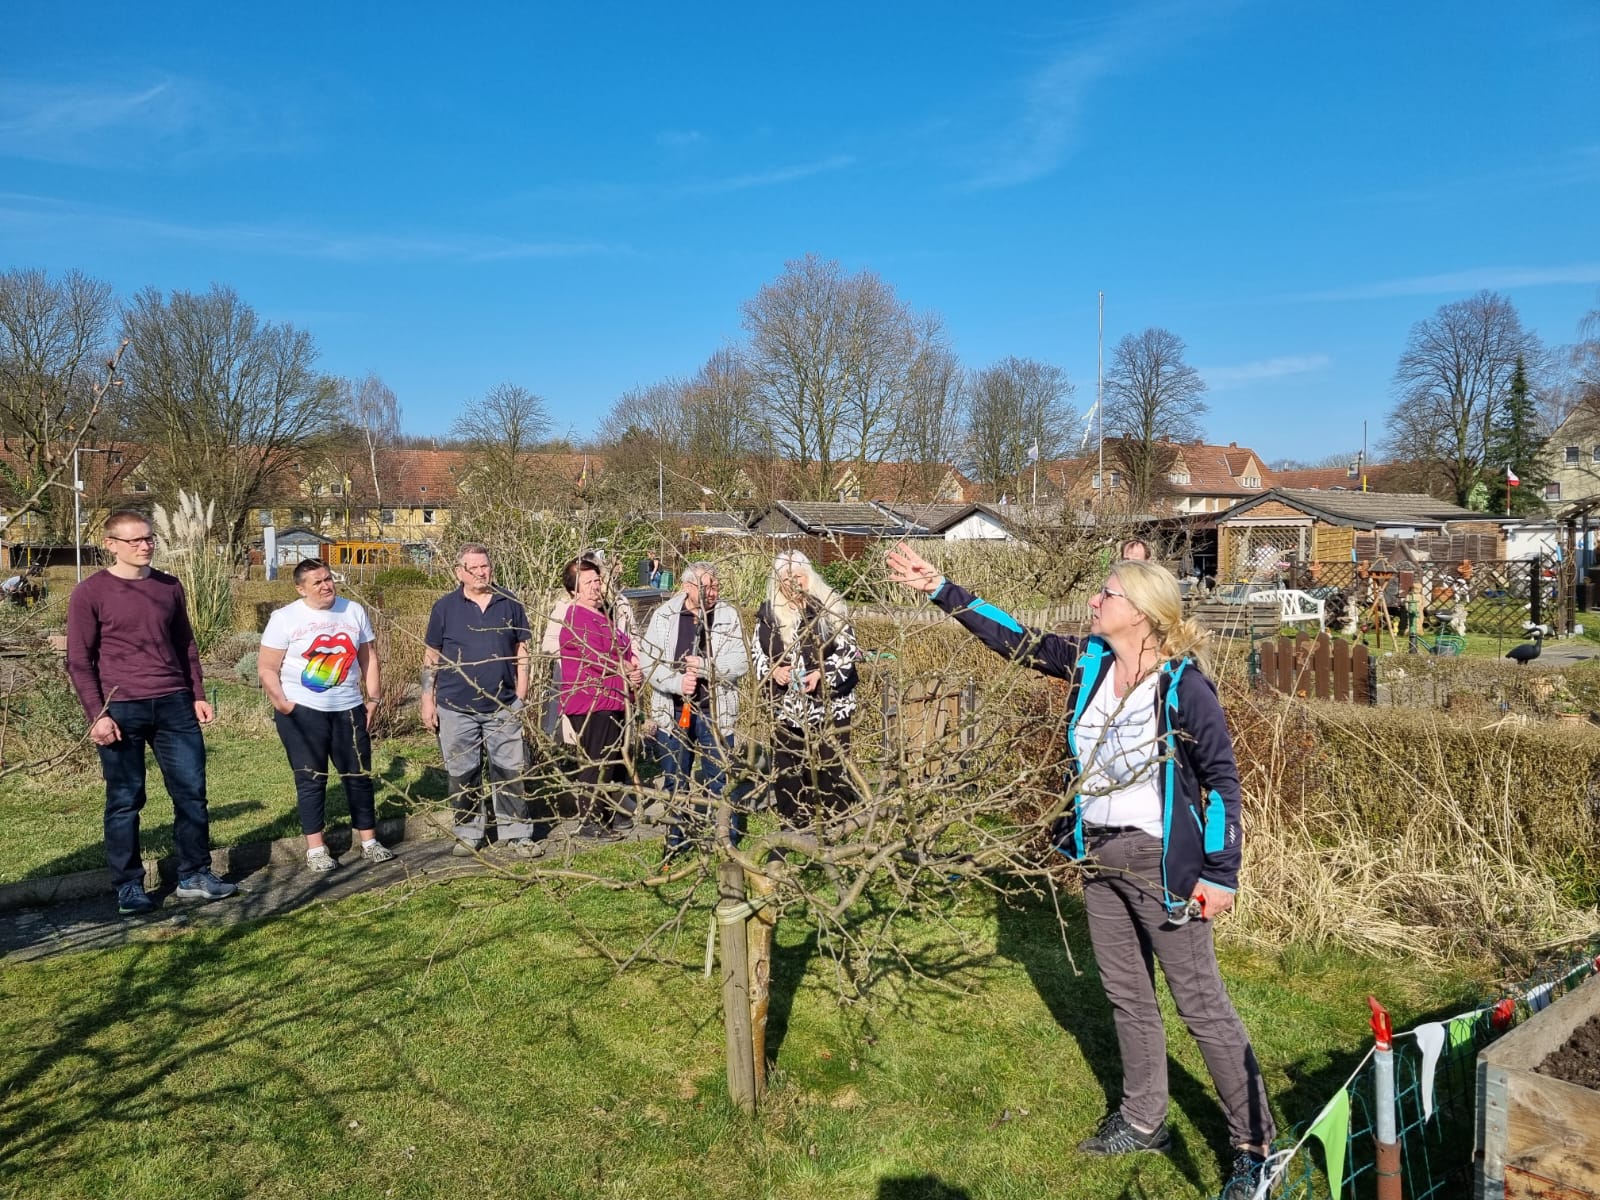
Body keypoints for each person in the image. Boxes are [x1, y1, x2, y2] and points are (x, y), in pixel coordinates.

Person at [886, 541, 1275, 1200]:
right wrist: (940, 588)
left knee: (1201, 1006)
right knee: (1126, 995)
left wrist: (1221, 873)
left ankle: (1254, 1146)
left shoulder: (1183, 686)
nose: (1094, 601)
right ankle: (1144, 1120)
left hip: (1161, 865)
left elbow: (1222, 783)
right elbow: (1017, 641)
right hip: (1097, 853)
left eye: (1107, 593)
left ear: (1142, 612)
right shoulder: (1093, 662)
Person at [65, 510, 238, 915]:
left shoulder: (169, 586)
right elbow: (79, 660)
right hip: (121, 708)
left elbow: (185, 645)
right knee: (125, 799)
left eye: (149, 538)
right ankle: (128, 886)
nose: (145, 546)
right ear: (111, 544)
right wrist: (97, 714)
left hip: (174, 704)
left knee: (191, 793)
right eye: (135, 540)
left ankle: (194, 875)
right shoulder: (90, 593)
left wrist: (196, 693)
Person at [258, 558, 396, 872]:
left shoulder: (353, 611)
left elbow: (369, 657)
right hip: (303, 712)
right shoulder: (284, 618)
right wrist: (283, 704)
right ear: (300, 589)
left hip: (348, 708)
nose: (326, 586)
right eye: (317, 582)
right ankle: (316, 849)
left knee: (358, 776)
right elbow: (266, 667)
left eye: (328, 579)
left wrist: (373, 698)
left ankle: (369, 842)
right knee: (311, 779)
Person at [421, 543, 543, 857]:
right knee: (463, 773)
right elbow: (432, 656)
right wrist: (427, 700)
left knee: (509, 770)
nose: (480, 572)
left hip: (503, 705)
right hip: (455, 707)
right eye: (473, 567)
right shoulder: (444, 607)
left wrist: (521, 694)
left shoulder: (509, 603)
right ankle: (468, 833)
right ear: (459, 572)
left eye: (484, 566)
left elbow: (522, 650)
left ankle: (517, 833)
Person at [639, 560, 749, 856]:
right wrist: (677, 683)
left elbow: (741, 661)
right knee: (675, 778)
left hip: (715, 712)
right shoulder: (665, 615)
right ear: (688, 586)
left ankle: (726, 840)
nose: (713, 592)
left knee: (720, 779)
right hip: (673, 711)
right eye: (707, 586)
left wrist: (707, 667)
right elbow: (648, 662)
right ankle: (676, 840)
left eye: (716, 586)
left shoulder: (727, 616)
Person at [752, 551, 861, 827]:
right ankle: (795, 821)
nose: (793, 583)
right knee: (788, 765)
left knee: (829, 763)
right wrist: (773, 670)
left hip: (829, 703)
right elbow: (757, 653)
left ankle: (834, 821)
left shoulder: (830, 606)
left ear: (808, 576)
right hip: (787, 705)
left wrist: (821, 674)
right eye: (786, 578)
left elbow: (849, 650)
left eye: (798, 576)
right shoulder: (769, 613)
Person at [557, 554, 644, 838]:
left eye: (597, 580)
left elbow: (624, 649)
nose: (595, 586)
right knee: (598, 761)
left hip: (615, 697)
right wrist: (625, 667)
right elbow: (594, 656)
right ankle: (590, 820)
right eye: (588, 583)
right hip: (592, 701)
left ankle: (614, 814)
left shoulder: (603, 615)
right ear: (574, 591)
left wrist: (634, 668)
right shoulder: (576, 617)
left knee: (614, 760)